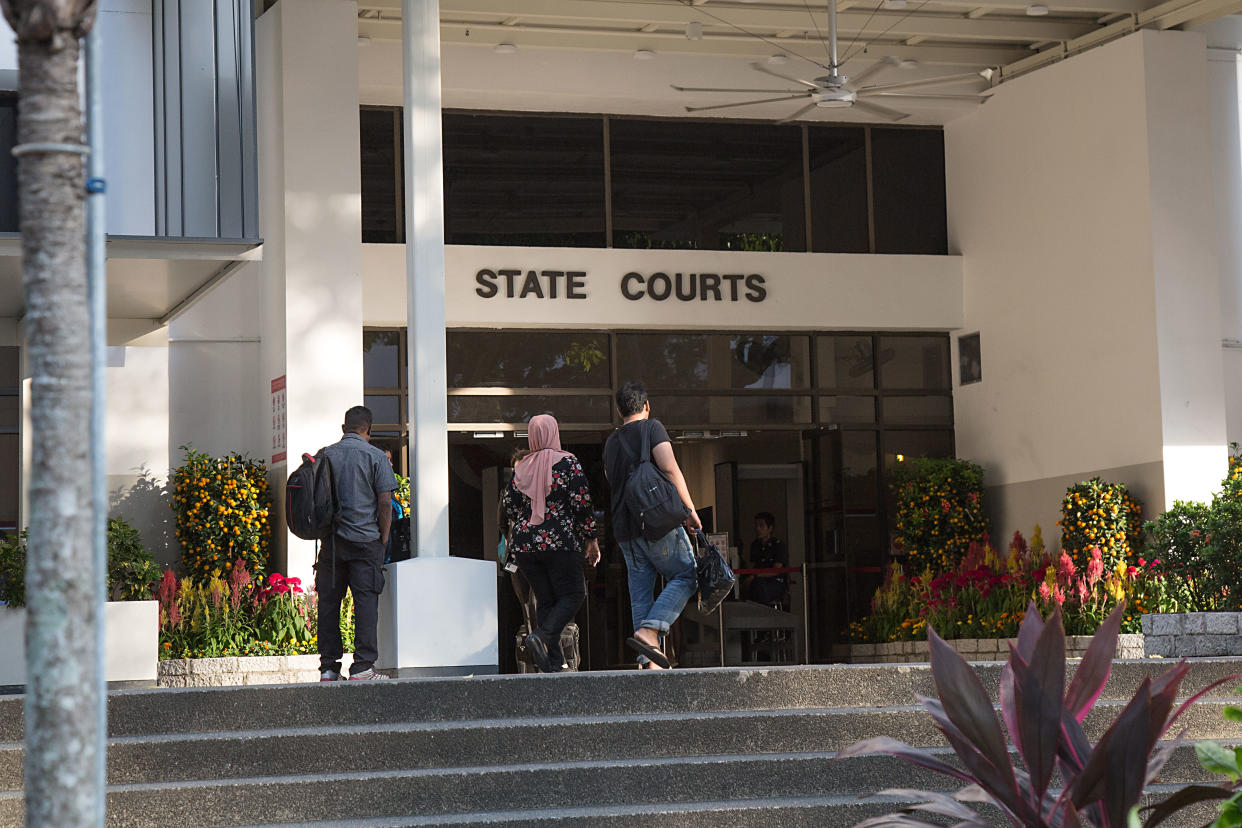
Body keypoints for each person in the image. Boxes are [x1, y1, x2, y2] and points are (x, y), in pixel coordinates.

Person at [603, 382, 701, 670]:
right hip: (656, 523)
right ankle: (651, 630)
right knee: (687, 575)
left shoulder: (611, 442)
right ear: (647, 406)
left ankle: (649, 662)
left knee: (640, 591)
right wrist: (689, 510)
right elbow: (670, 468)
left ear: (619, 410)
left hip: (624, 528)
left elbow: (613, 481)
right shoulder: (652, 428)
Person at [501, 414, 601, 673]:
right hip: (560, 543)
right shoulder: (568, 463)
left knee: (545, 600)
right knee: (574, 594)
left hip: (525, 546)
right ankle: (542, 636)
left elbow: (509, 507)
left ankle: (553, 662)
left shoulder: (522, 467)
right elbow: (582, 503)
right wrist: (591, 537)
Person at [317, 405, 398, 682]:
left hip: (331, 544)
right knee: (365, 604)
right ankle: (363, 667)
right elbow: (385, 502)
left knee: (329, 604)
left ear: (344, 429)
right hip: (366, 543)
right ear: (369, 431)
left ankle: (328, 668)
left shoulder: (325, 455)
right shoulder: (375, 456)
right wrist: (383, 538)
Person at [744, 511, 788, 608]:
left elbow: (776, 570)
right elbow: (755, 565)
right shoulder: (755, 545)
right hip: (758, 581)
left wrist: (755, 576)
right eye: (756, 526)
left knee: (758, 585)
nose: (758, 529)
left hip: (774, 582)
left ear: (770, 528)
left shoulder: (778, 545)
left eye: (761, 526)